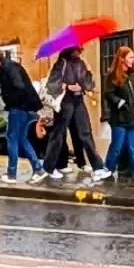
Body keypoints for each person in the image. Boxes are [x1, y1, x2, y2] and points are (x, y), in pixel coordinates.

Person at [42, 47, 109, 181]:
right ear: (69, 50)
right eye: (77, 49)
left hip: (78, 100)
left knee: (85, 132)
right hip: (65, 101)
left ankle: (97, 167)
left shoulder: (81, 63)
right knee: (59, 134)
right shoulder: (61, 63)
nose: (80, 51)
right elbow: (51, 84)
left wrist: (88, 73)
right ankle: (49, 167)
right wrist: (67, 86)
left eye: (80, 49)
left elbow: (89, 85)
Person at [0, 48, 44, 183]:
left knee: (12, 138)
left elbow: (18, 86)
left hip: (19, 108)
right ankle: (38, 169)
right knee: (22, 138)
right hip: (28, 107)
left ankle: (12, 173)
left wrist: (12, 102)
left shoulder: (7, 69)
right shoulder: (12, 66)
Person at [103, 45, 134, 181]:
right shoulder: (112, 76)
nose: (133, 60)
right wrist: (120, 103)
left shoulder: (133, 75)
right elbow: (109, 94)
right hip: (119, 119)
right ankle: (108, 169)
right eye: (130, 57)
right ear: (122, 59)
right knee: (116, 147)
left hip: (133, 117)